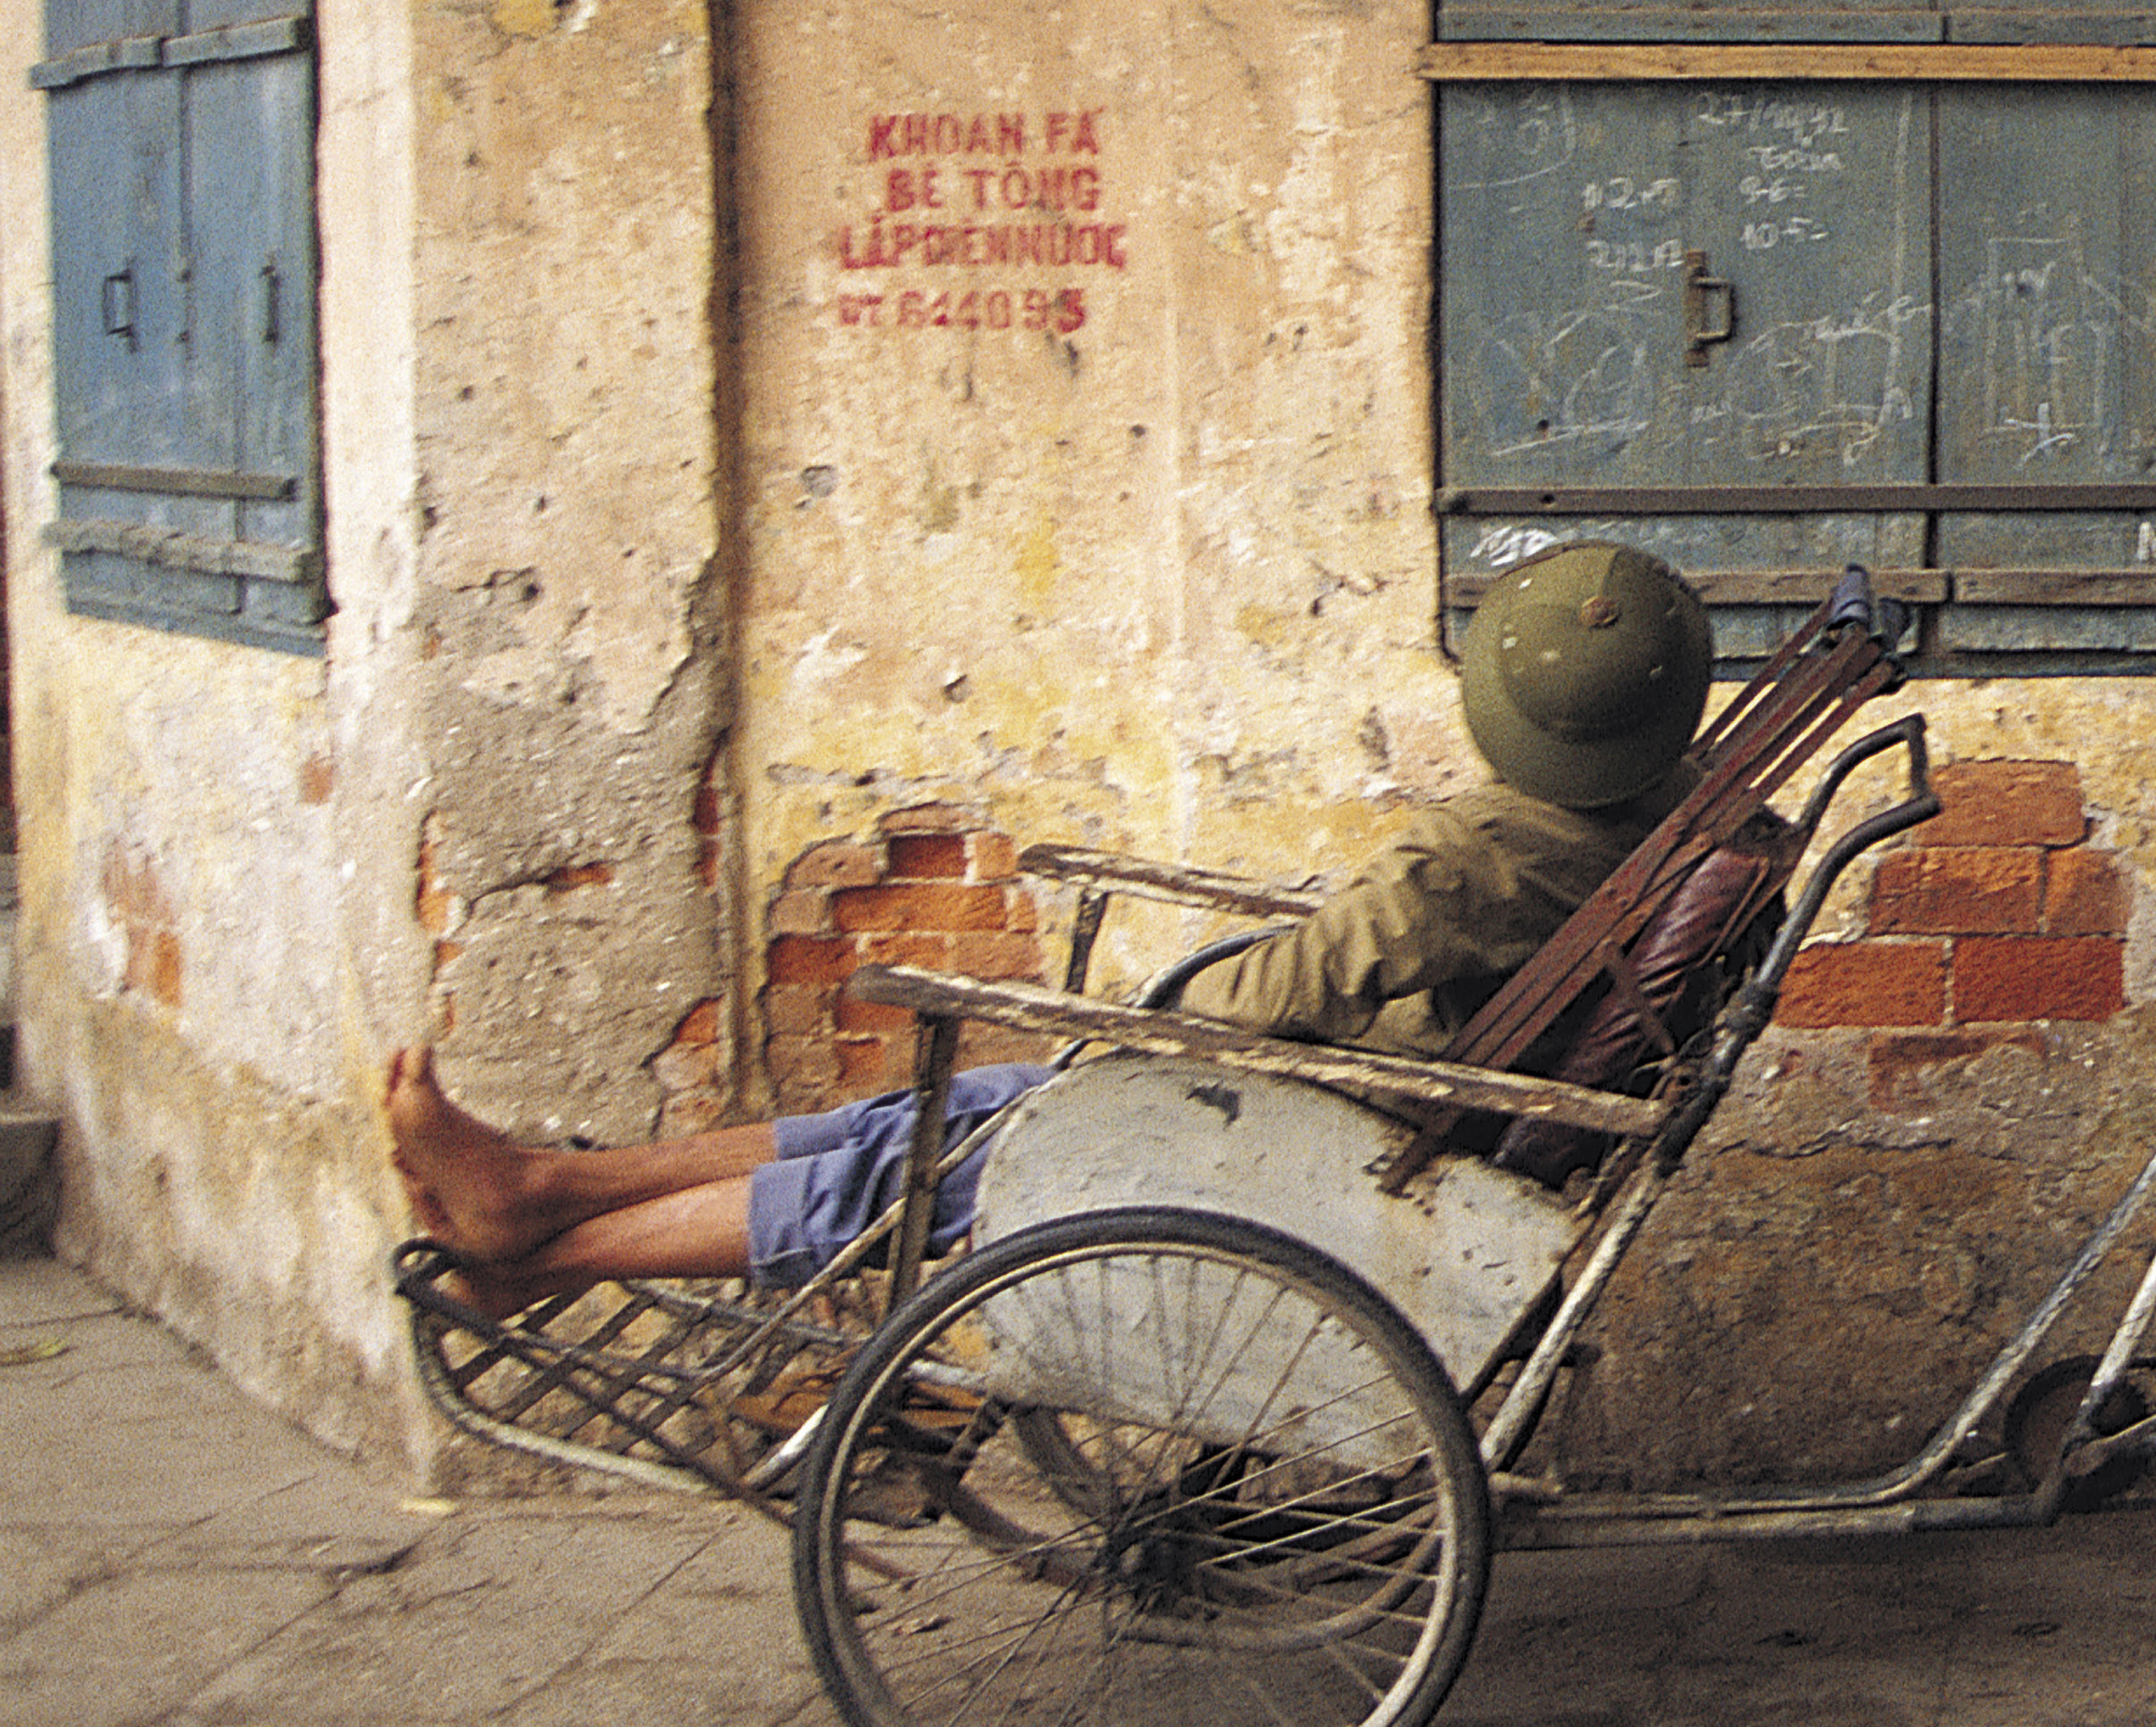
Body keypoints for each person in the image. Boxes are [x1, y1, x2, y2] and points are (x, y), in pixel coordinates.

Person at [382, 541, 1714, 1312]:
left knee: (916, 1171)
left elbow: (1285, 990)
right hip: (1368, 1097)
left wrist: (1132, 1032)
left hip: (1333, 1132)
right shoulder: (1650, 817)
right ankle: (548, 1195)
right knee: (911, 1121)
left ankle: (555, 1258)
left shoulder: (1478, 852)